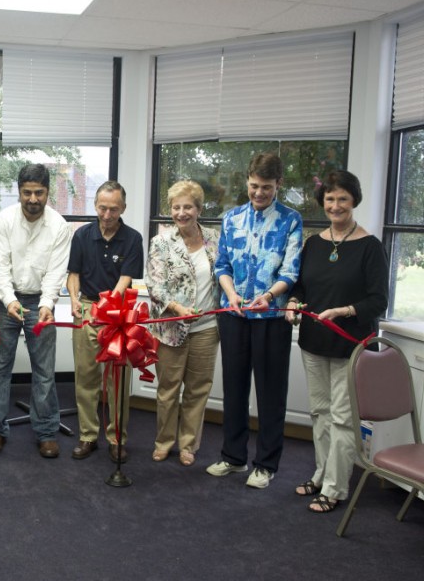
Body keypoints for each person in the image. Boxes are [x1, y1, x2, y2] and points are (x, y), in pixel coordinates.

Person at [285, 171, 388, 513]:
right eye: (330, 199)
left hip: (352, 345)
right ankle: (321, 472)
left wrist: (345, 310)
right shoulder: (313, 244)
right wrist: (293, 302)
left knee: (343, 418)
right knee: (320, 413)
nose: (336, 205)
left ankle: (335, 487)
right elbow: (301, 286)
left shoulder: (370, 247)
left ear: (354, 201)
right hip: (314, 342)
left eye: (343, 198)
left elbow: (378, 301)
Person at [206, 152, 302, 489]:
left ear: (279, 185)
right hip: (234, 315)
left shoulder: (291, 220)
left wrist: (271, 295)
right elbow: (222, 265)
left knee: (270, 392)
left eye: (266, 187)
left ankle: (265, 464)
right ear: (247, 182)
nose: (258, 193)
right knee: (234, 387)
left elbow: (291, 270)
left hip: (270, 316)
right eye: (253, 186)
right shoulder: (231, 218)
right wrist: (230, 293)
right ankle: (233, 457)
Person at [0, 163, 72, 458]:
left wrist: (47, 304)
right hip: (4, 299)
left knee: (44, 370)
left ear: (48, 193)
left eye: (39, 192)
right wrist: (8, 300)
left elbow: (56, 272)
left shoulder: (59, 225)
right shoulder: (3, 221)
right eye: (27, 192)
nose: (33, 198)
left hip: (40, 301)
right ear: (18, 192)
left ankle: (46, 431)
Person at [67, 181, 143, 463]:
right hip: (87, 307)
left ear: (123, 207)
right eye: (102, 208)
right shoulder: (82, 236)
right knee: (86, 377)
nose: (107, 214)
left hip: (118, 313)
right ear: (95, 205)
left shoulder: (133, 238)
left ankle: (117, 438)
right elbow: (73, 274)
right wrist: (75, 300)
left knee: (117, 381)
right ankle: (87, 435)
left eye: (113, 209)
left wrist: (108, 305)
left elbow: (127, 278)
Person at [146, 180, 219, 466]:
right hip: (172, 327)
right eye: (176, 207)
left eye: (188, 206)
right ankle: (164, 442)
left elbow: (223, 276)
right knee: (168, 390)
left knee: (198, 389)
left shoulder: (214, 238)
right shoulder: (161, 241)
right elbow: (155, 286)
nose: (181, 212)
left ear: (199, 209)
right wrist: (178, 308)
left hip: (207, 328)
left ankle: (189, 445)